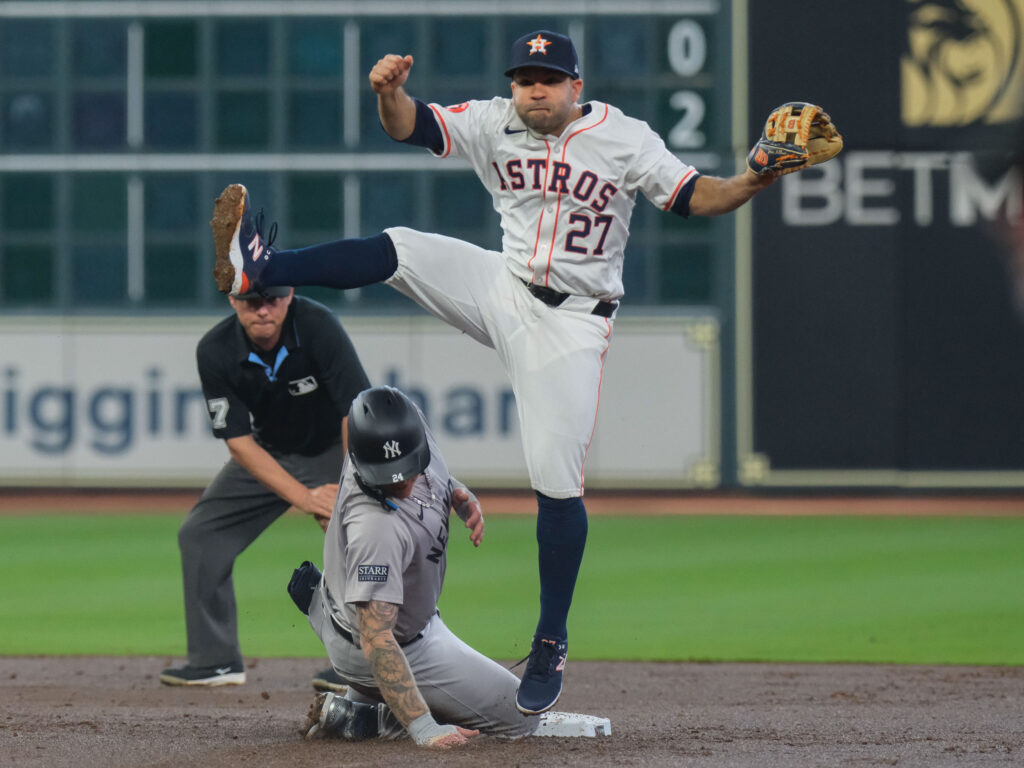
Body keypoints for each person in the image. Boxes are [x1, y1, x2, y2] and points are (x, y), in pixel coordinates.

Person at [208, 30, 820, 713]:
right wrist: (390, 93)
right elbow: (411, 128)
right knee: (403, 248)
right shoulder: (494, 120)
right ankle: (260, 268)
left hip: (572, 322)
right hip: (503, 287)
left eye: (548, 79)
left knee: (556, 479)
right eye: (525, 78)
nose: (534, 89)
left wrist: (755, 177)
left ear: (575, 88)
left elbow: (697, 196)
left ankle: (551, 639)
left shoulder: (625, 138)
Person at [294, 384, 534, 748]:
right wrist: (423, 726)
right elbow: (376, 637)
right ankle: (369, 719)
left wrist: (455, 494)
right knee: (522, 718)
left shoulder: (404, 430)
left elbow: (431, 476)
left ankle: (366, 702)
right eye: (388, 473)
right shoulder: (374, 526)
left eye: (406, 467)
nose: (402, 480)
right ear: (360, 460)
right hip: (374, 644)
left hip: (367, 612)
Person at [160, 284, 370, 689]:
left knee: (359, 535)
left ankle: (363, 662)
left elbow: (355, 410)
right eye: (251, 301)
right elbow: (238, 442)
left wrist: (347, 490)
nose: (262, 309)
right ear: (232, 301)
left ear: (289, 295)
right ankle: (215, 660)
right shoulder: (215, 349)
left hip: (337, 448)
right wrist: (305, 498)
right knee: (201, 534)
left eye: (271, 298)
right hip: (271, 452)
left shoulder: (317, 326)